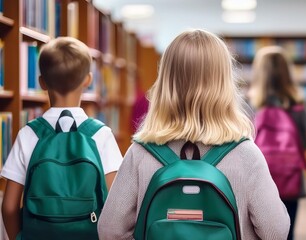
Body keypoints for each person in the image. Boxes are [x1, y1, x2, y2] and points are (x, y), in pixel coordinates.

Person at [97, 29, 290, 240]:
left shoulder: (140, 153)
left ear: (166, 82)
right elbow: (276, 232)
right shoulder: (246, 154)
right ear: (224, 84)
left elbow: (109, 231)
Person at [1, 37, 124, 239]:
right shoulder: (101, 134)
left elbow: (9, 207)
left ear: (41, 82)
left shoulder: (29, 134)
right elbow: (116, 205)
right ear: (88, 80)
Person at [248, 46, 306, 240]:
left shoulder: (248, 105)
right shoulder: (298, 106)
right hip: (290, 179)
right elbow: (304, 144)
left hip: (258, 179)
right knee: (286, 232)